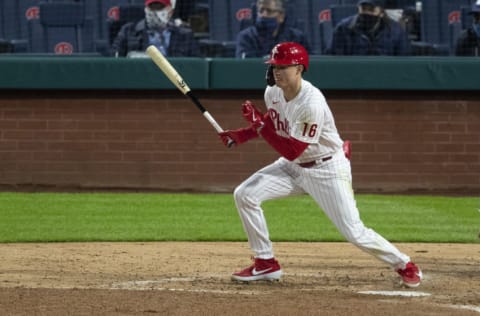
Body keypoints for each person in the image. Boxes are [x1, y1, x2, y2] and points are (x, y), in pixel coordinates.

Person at [218, 42, 422, 288]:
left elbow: (292, 150)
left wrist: (260, 127)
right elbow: (273, 123)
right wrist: (241, 134)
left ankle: (404, 264)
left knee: (353, 231)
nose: (277, 72)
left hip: (326, 168)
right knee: (245, 194)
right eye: (274, 66)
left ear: (300, 68)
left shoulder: (310, 102)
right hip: (295, 166)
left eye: (283, 66)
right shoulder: (272, 93)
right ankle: (265, 263)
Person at [111, 0, 200, 57]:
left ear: (170, 12)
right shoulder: (128, 31)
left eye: (159, 8)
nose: (155, 12)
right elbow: (115, 58)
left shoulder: (184, 35)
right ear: (145, 9)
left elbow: (196, 64)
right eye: (152, 8)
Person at [326, 0, 411, 55]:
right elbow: (335, 59)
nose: (367, 13)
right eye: (363, 9)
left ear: (381, 12)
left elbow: (404, 59)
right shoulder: (343, 28)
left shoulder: (396, 31)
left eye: (371, 10)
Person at [235, 0, 311, 58]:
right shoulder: (246, 37)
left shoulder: (296, 38)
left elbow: (308, 63)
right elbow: (244, 65)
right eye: (261, 11)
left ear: (281, 16)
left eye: (269, 11)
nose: (263, 15)